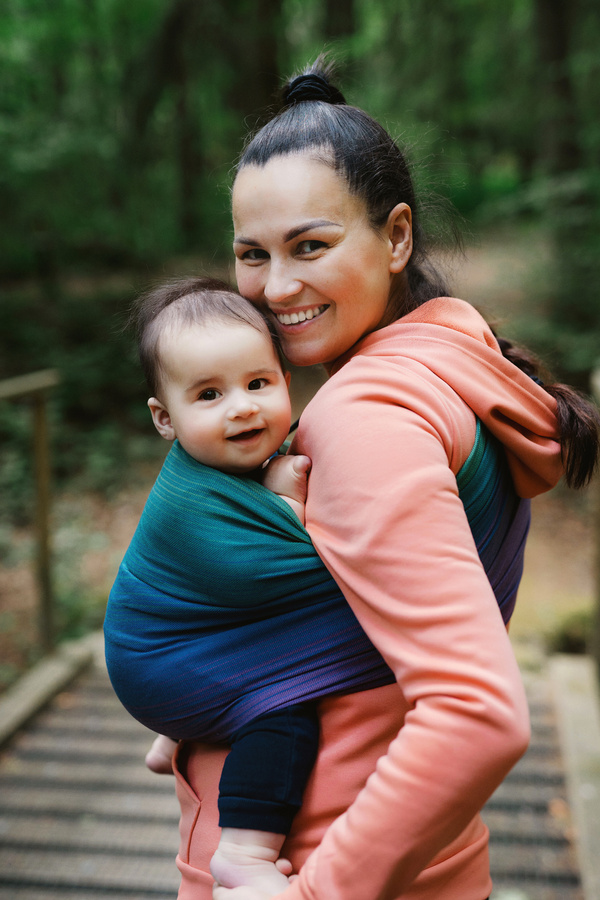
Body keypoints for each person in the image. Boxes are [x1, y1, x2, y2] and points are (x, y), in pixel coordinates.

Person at [172, 57, 600, 900]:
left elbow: (477, 714)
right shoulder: (454, 355)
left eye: (311, 246)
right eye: (250, 254)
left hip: (305, 853)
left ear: (396, 236)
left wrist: (311, 891)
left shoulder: (365, 418)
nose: (275, 287)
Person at [103, 277, 396, 894]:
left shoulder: (242, 461)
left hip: (190, 647)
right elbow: (270, 572)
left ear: (287, 384)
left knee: (253, 649)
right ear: (165, 419)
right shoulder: (187, 505)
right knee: (285, 710)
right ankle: (245, 851)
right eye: (209, 394)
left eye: (257, 383)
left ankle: (181, 732)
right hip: (159, 664)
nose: (241, 406)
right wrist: (289, 503)